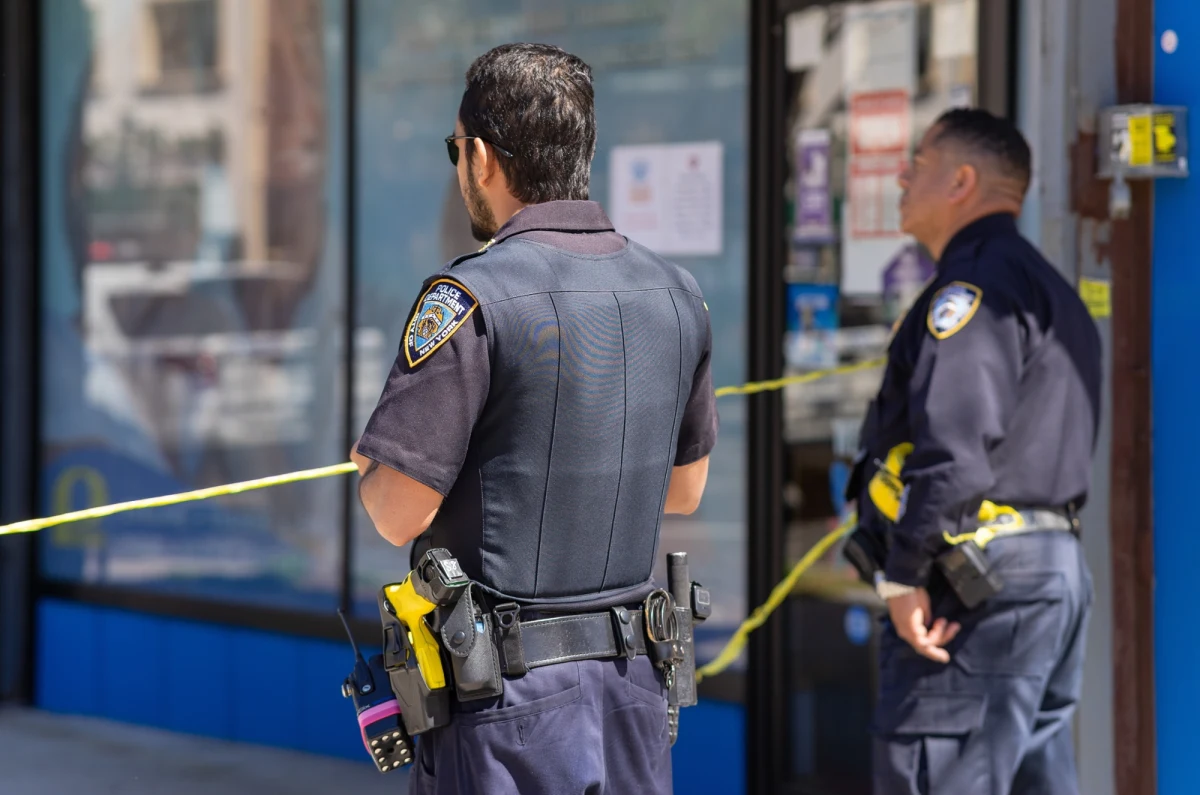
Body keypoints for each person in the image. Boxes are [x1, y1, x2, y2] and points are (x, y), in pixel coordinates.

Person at [349, 43, 718, 795]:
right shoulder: (677, 293)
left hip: (504, 712)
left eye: (455, 149)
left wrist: (374, 467)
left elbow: (396, 513)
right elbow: (684, 493)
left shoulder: (469, 298)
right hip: (633, 692)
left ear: (481, 156)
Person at [846, 108, 1102, 794]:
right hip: (1050, 570)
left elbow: (956, 452)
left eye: (919, 163)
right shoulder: (1048, 288)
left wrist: (903, 574)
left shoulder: (973, 292)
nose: (901, 174)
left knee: (935, 772)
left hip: (978, 581)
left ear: (962, 180)